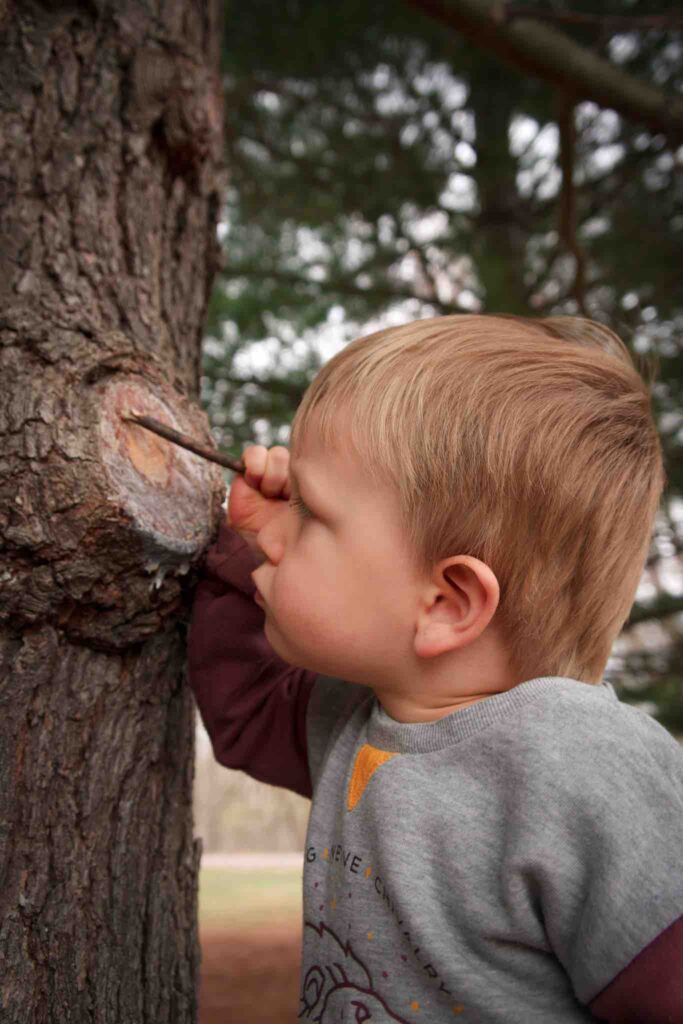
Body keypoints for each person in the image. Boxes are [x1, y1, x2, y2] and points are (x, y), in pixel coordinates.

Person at [188, 313, 683, 1023]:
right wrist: (247, 548)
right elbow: (248, 710)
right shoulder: (360, 716)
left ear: (447, 603)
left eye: (313, 513)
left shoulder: (583, 769)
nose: (282, 527)